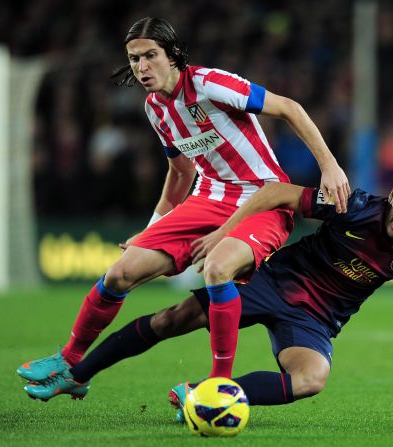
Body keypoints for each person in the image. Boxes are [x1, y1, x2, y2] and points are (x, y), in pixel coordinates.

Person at [17, 17, 350, 381]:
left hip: (262, 199)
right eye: (133, 59)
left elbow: (289, 107)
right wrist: (152, 227)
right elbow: (181, 173)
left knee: (218, 269)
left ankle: (218, 383)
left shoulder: (210, 84)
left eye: (150, 55)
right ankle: (69, 361)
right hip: (207, 197)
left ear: (173, 55)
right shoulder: (155, 108)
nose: (142, 67)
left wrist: (329, 166)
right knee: (119, 274)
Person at [24, 170, 393, 410]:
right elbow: (275, 194)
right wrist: (226, 232)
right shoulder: (354, 206)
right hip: (270, 283)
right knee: (170, 320)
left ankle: (203, 397)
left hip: (315, 321)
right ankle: (77, 372)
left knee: (312, 380)